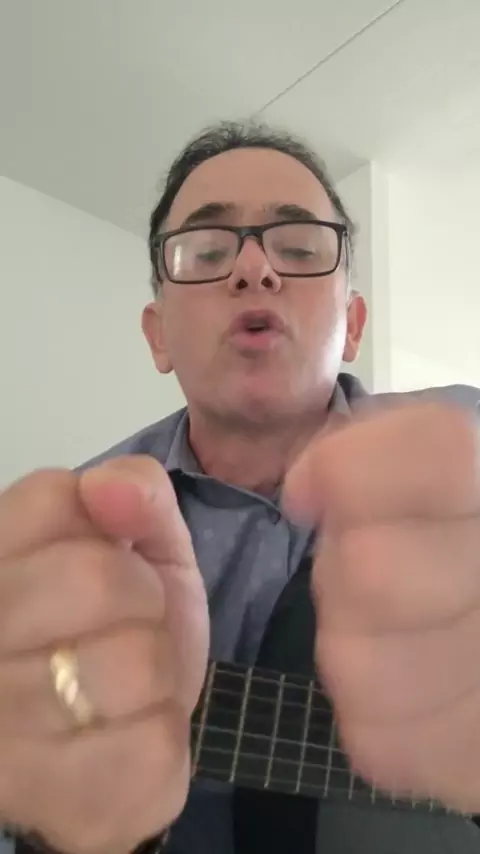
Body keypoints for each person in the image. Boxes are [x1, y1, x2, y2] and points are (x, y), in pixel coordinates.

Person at [1, 121, 480, 854]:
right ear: (159, 335)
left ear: (352, 325)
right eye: (207, 252)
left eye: (299, 249)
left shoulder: (468, 439)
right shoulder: (70, 552)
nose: (255, 269)